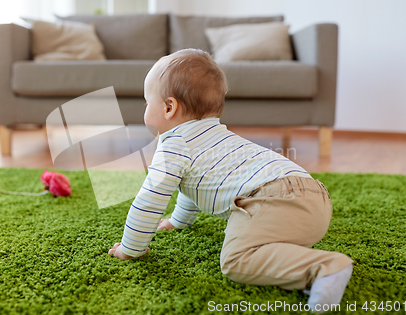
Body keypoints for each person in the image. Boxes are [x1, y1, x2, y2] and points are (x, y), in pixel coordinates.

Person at [108, 48, 353, 313]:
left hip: (272, 199)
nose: (145, 108)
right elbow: (192, 184)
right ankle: (294, 257)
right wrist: (179, 221)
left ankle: (324, 269)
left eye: (147, 102)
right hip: (314, 198)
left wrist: (131, 248)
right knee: (265, 241)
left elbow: (151, 198)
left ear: (169, 107)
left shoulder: (174, 145)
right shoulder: (215, 136)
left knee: (236, 260)